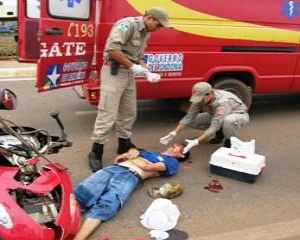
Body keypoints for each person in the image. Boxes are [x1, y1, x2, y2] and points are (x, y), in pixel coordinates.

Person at [89, 7, 173, 172]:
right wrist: (132, 67)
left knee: (129, 112)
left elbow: (139, 56)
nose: (159, 29)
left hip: (128, 73)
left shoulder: (145, 32)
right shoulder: (126, 25)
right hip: (113, 72)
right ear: (149, 18)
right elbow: (112, 49)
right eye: (158, 24)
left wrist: (147, 71)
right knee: (108, 113)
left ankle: (124, 144)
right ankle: (96, 150)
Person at [74, 143, 188, 240]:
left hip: (130, 176)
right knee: (80, 195)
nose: (172, 147)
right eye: (172, 145)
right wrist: (132, 152)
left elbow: (147, 166)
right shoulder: (149, 153)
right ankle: (59, 226)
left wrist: (133, 156)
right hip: (111, 169)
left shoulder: (173, 162)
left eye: (177, 147)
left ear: (181, 154)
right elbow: (124, 156)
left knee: (107, 206)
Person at [160, 82, 249, 153]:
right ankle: (220, 133)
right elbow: (189, 117)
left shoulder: (222, 102)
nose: (199, 101)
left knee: (228, 121)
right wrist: (174, 133)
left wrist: (197, 141)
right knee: (192, 121)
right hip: (216, 115)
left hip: (238, 115)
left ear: (209, 94)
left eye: (201, 99)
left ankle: (230, 141)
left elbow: (215, 124)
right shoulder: (200, 97)